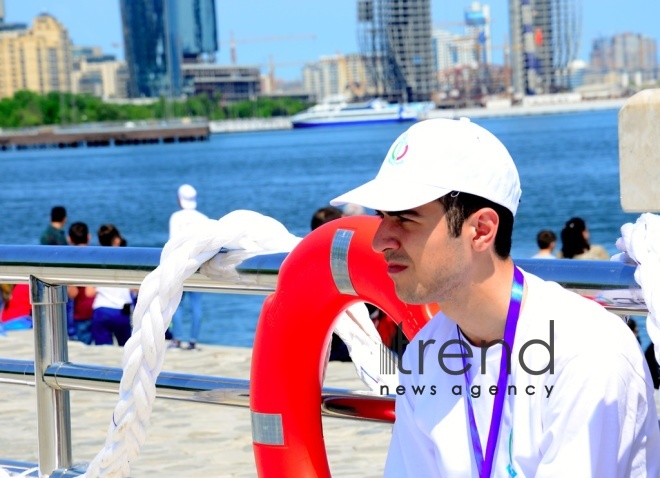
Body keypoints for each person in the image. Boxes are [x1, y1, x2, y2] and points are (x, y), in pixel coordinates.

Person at [329, 118, 660, 476]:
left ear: (482, 230)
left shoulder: (588, 351)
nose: (380, 241)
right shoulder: (425, 352)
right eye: (382, 217)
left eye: (406, 219)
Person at [168, 184, 209, 350]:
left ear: (179, 198)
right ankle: (193, 340)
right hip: (198, 265)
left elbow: (172, 243)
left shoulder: (176, 217)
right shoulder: (203, 219)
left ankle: (177, 338)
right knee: (196, 305)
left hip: (179, 265)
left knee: (176, 304)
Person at [90, 225, 133, 346]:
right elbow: (135, 288)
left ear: (99, 241)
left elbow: (89, 292)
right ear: (117, 240)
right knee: (126, 349)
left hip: (101, 308)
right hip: (121, 310)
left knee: (102, 352)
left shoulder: (96, 259)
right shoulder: (126, 259)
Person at [67, 222, 95, 344]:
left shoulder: (70, 259)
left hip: (81, 311)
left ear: (69, 239)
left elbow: (73, 293)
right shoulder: (97, 255)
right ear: (89, 237)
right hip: (99, 308)